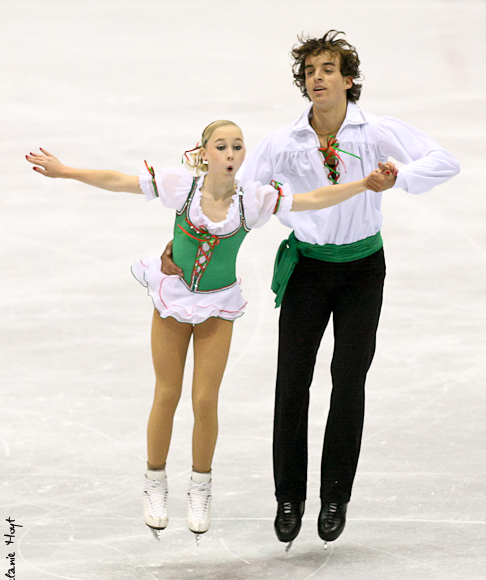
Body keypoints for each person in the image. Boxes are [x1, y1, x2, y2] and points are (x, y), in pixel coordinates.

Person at [26, 120, 394, 544]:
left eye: (238, 146)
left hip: (218, 305)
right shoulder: (182, 187)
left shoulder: (252, 200)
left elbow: (312, 199)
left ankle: (200, 489)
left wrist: (364, 185)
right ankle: (155, 483)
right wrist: (66, 170)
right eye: (222, 146)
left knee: (204, 399)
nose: (232, 153)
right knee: (167, 391)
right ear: (204, 154)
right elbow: (120, 181)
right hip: (173, 298)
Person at [161, 31, 460, 550]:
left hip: (364, 270)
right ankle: (289, 498)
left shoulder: (376, 132)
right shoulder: (283, 141)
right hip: (308, 272)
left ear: (348, 80)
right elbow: (233, 195)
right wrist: (183, 248)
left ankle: (335, 495)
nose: (317, 78)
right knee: (292, 382)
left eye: (328, 69)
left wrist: (400, 178)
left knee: (349, 379)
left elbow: (444, 161)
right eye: (310, 71)